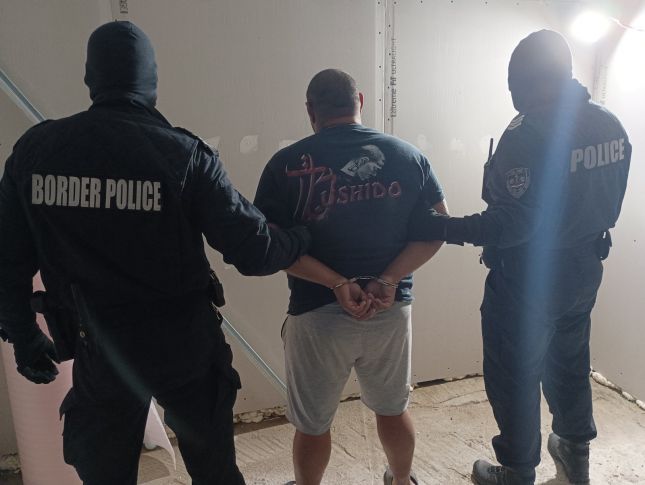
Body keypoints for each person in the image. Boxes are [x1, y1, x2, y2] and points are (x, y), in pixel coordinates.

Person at [0, 21, 311, 485]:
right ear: (152, 81)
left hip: (98, 349)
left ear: (89, 78)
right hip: (185, 348)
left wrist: (25, 339)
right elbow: (255, 251)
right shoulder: (183, 154)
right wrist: (303, 237)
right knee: (215, 473)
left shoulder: (35, 153)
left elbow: (8, 261)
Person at [410, 30, 632, 485]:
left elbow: (512, 223)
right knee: (569, 364)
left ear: (529, 80)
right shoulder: (610, 124)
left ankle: (516, 469)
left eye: (514, 82)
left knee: (513, 373)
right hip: (584, 270)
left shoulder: (529, 132)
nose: (512, 93)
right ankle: (574, 458)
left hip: (527, 279)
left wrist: (441, 227)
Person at [254, 68, 448, 485]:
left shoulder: (285, 164)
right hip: (389, 308)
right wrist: (389, 279)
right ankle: (401, 481)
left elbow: (269, 245)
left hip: (317, 314)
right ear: (359, 101)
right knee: (392, 409)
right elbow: (438, 230)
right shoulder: (408, 156)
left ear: (311, 110)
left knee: (313, 424)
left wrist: (338, 283)